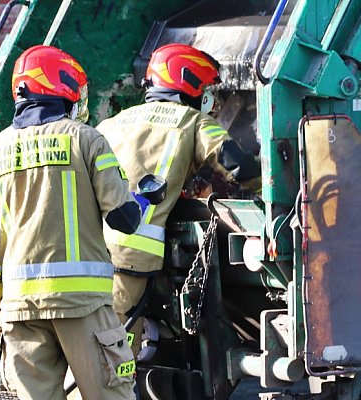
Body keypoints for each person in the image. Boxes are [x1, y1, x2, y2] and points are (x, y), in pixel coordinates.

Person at [0, 45, 146, 400]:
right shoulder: (86, 139)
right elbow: (124, 218)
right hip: (83, 306)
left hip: (18, 310)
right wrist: (140, 198)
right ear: (61, 88)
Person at [96, 43, 261, 356]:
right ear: (190, 84)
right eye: (209, 90)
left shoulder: (111, 123)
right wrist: (272, 191)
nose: (212, 102)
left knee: (92, 333)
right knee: (114, 350)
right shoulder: (190, 121)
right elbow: (236, 164)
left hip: (88, 250)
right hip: (130, 255)